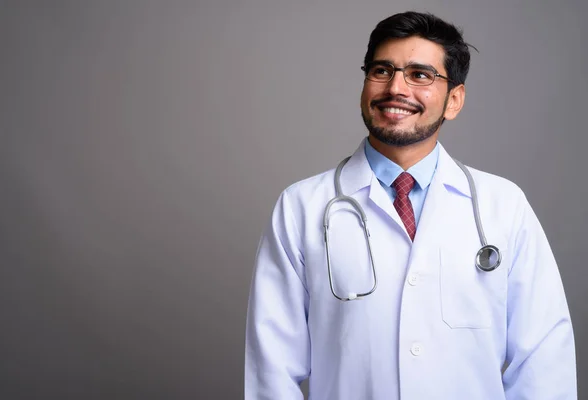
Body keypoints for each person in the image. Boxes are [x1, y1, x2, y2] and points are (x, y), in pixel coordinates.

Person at [244, 11, 576, 400]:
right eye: (382, 70)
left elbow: (543, 359)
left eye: (420, 75)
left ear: (454, 100)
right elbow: (272, 368)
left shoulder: (503, 205)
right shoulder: (301, 207)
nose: (396, 88)